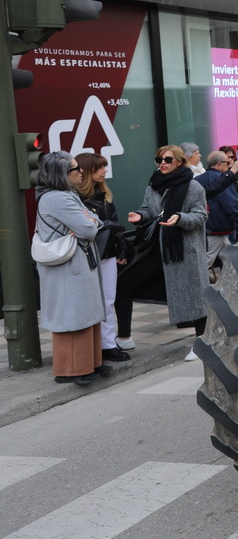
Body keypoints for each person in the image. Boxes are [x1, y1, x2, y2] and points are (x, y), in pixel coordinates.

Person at [34, 151, 109, 386]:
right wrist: (90, 221)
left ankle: (88, 364)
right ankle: (72, 369)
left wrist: (91, 220)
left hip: (74, 263)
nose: (81, 172)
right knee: (73, 315)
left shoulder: (62, 195)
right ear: (61, 174)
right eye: (76, 169)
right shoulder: (59, 198)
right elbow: (88, 229)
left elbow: (92, 222)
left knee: (82, 313)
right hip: (68, 267)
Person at [127, 145, 208, 361]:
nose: (162, 163)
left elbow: (200, 215)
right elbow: (147, 209)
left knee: (195, 296)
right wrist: (139, 215)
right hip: (159, 248)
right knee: (126, 284)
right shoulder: (153, 186)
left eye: (168, 159)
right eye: (159, 159)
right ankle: (122, 337)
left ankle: (202, 342)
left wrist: (180, 218)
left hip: (185, 249)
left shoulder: (193, 187)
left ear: (179, 162)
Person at [74, 152, 129, 363]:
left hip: (107, 254)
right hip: (88, 254)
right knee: (94, 301)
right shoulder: (77, 198)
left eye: (104, 166)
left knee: (107, 300)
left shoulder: (104, 196)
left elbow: (115, 226)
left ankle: (107, 344)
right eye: (99, 167)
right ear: (87, 171)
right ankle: (97, 346)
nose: (104, 171)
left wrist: (122, 249)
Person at [197, 151, 238, 276]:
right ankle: (196, 286)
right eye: (228, 162)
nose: (230, 164)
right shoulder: (221, 179)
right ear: (219, 164)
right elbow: (230, 203)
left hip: (211, 226)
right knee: (206, 262)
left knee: (231, 258)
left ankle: (233, 280)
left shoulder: (201, 179)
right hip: (218, 227)